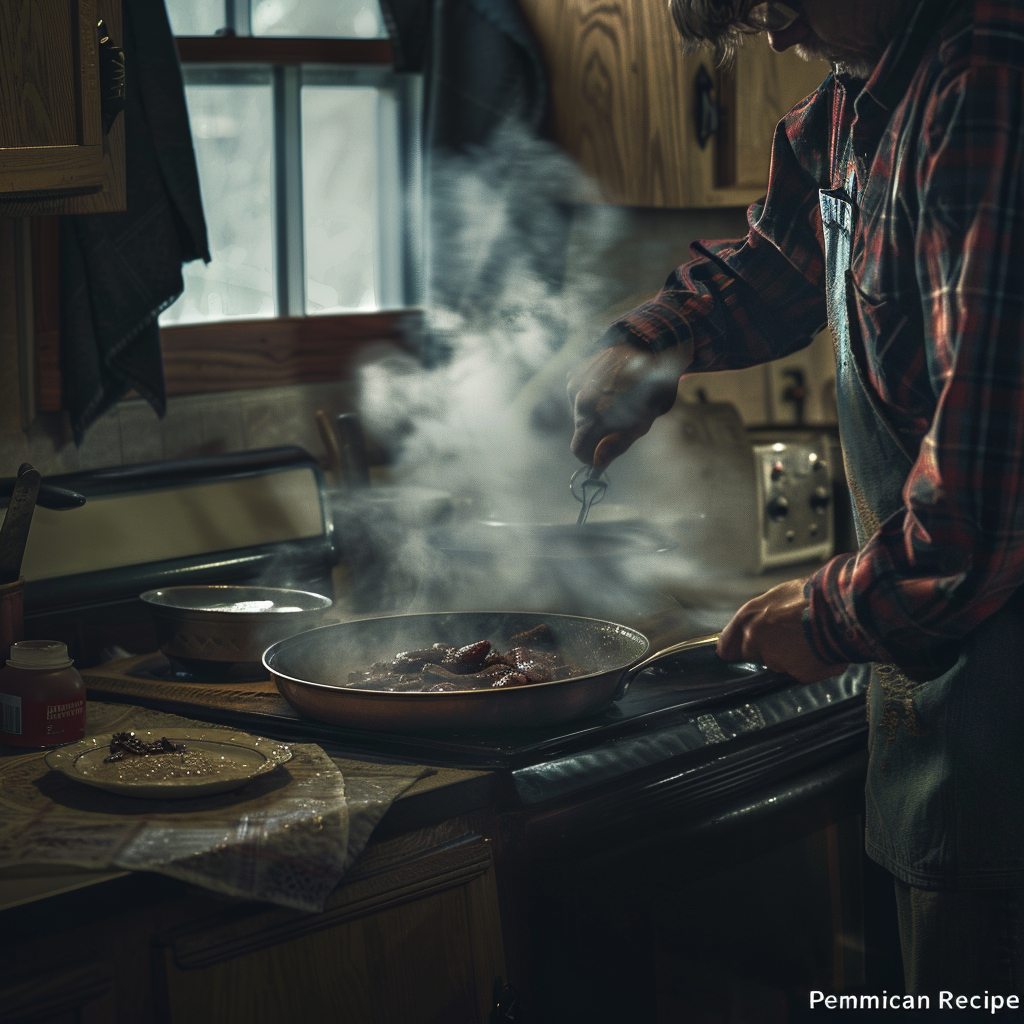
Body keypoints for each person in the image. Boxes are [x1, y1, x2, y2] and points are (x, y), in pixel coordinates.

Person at [567, 0, 1024, 1000]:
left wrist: (829, 614)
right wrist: (655, 340)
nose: (771, 32)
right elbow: (782, 261)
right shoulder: (858, 99)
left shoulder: (985, 81)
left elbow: (987, 499)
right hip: (941, 727)